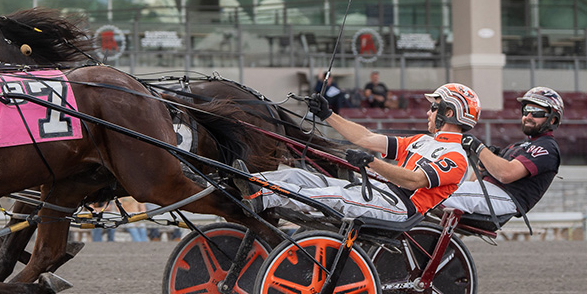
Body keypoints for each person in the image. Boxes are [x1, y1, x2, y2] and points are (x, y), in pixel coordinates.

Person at [235, 83, 480, 223]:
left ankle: (262, 195)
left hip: (400, 207)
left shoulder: (456, 158)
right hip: (376, 192)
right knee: (299, 177)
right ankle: (244, 183)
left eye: (433, 108)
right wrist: (327, 115)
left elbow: (414, 180)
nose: (428, 113)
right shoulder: (421, 141)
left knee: (333, 196)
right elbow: (365, 138)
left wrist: (372, 163)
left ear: (449, 113)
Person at [442, 87, 563, 217]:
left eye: (536, 112)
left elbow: (506, 174)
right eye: (526, 110)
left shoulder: (547, 147)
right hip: (487, 192)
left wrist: (478, 147)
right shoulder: (518, 146)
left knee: (434, 194)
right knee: (431, 188)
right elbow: (475, 182)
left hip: (506, 198)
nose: (528, 116)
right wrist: (482, 165)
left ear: (552, 119)